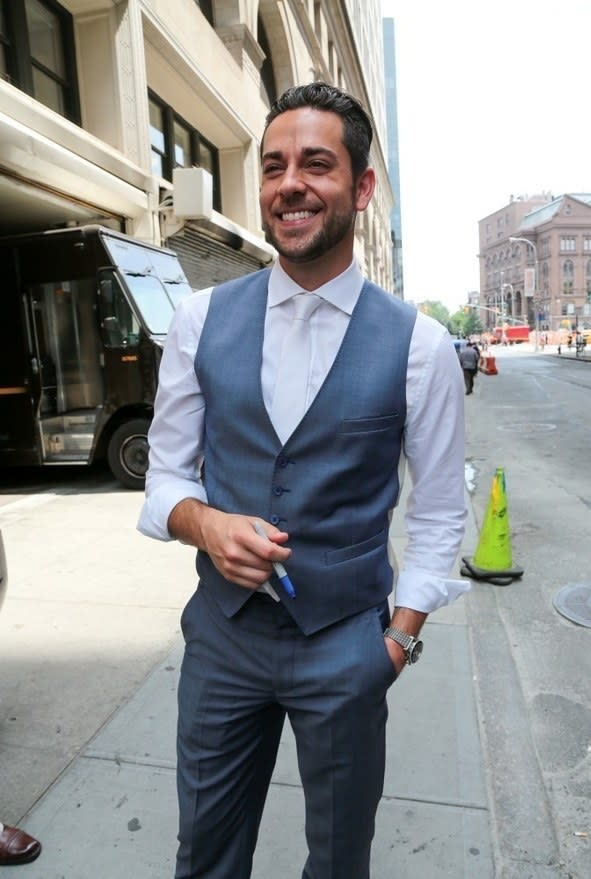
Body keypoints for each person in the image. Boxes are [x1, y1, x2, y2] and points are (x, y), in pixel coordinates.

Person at [138, 82, 467, 879]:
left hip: (347, 647)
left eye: (315, 164)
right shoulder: (199, 320)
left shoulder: (419, 346)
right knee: (205, 853)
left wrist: (397, 641)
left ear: (359, 187)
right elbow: (164, 476)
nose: (290, 184)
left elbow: (440, 513)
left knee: (338, 859)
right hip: (223, 639)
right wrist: (205, 524)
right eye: (275, 166)